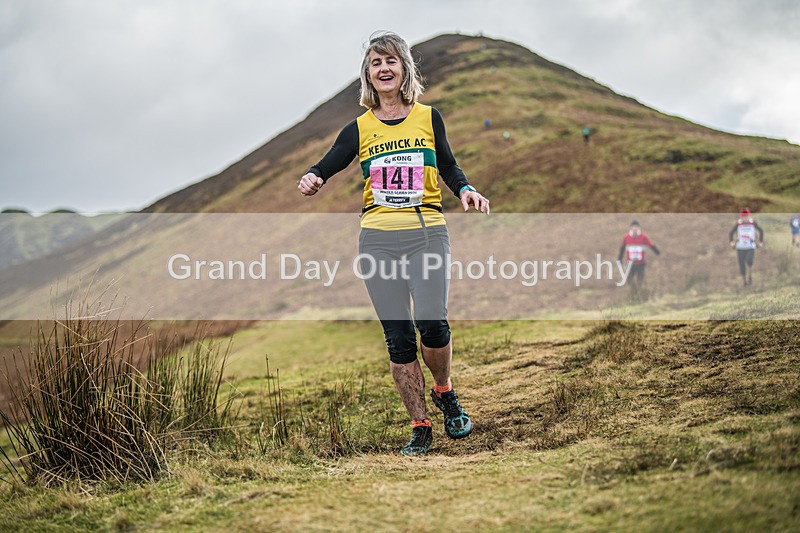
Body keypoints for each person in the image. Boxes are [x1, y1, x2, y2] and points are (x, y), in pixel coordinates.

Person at [297, 32, 490, 456]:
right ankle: (420, 426)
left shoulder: (427, 116)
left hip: (426, 233)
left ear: (404, 69)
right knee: (398, 338)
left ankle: (444, 391)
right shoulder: (359, 128)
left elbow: (448, 164)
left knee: (433, 325)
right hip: (378, 240)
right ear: (368, 75)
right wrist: (314, 176)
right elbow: (329, 162)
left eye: (390, 61)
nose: (383, 69)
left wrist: (466, 189)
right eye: (375, 63)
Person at [617, 220, 660, 301]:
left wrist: (657, 251)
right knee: (628, 278)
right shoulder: (626, 237)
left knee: (640, 279)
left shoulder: (644, 237)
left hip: (640, 263)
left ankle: (640, 296)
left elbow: (650, 244)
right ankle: (634, 292)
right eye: (633, 227)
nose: (635, 228)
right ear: (631, 228)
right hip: (630, 263)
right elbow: (622, 248)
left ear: (639, 228)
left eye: (636, 227)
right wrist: (619, 258)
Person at [729, 208, 764, 286]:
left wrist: (760, 242)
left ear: (749, 216)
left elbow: (761, 231)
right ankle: (744, 282)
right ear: (741, 217)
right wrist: (732, 242)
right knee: (742, 264)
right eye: (743, 216)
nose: (745, 218)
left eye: (746, 216)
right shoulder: (738, 224)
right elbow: (731, 233)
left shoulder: (753, 223)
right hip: (740, 247)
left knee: (749, 261)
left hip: (750, 246)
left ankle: (750, 277)